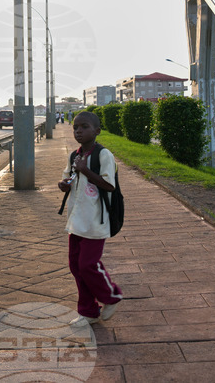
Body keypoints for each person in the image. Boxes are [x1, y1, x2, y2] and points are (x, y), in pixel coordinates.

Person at [57, 111, 123, 324]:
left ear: (97, 131)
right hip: (76, 220)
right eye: (76, 127)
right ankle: (88, 312)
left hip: (96, 220)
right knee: (76, 266)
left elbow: (109, 185)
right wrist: (64, 184)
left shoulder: (103, 155)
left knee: (88, 264)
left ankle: (111, 296)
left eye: (84, 127)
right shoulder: (74, 155)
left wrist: (85, 170)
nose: (79, 131)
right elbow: (68, 178)